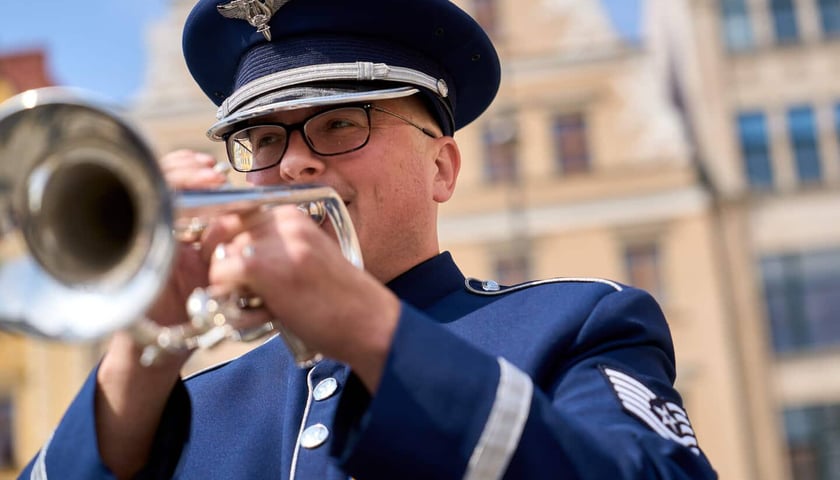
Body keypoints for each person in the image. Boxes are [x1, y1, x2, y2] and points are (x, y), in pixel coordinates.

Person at [21, 0, 718, 478]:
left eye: (339, 123)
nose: (292, 162)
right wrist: (141, 353)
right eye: (262, 139)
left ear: (441, 167)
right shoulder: (192, 409)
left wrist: (368, 329)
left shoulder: (574, 324)